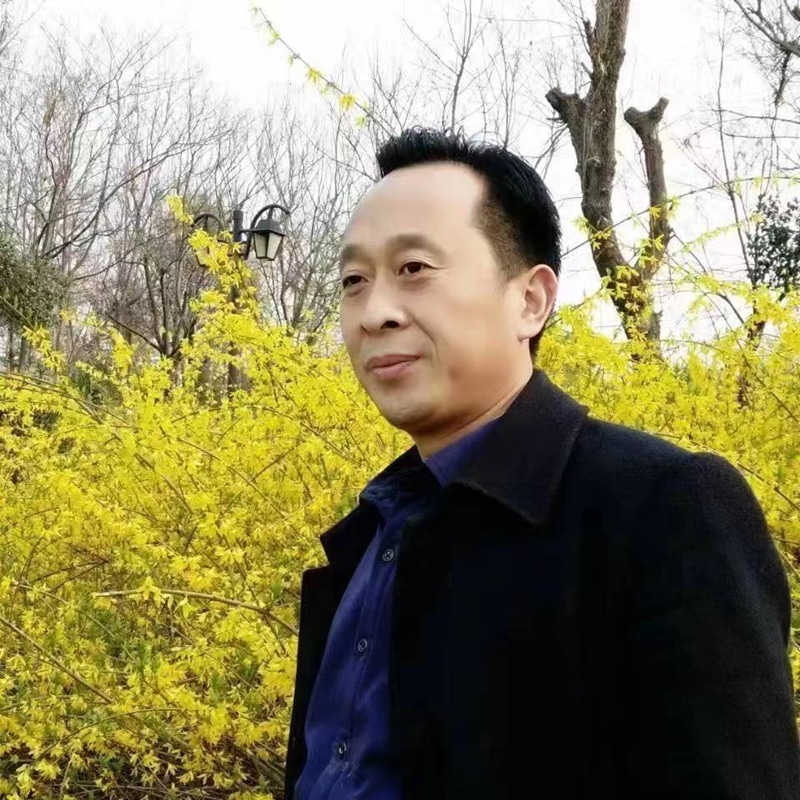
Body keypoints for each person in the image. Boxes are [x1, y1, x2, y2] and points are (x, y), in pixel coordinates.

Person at [283, 127, 800, 800]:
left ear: (530, 300)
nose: (373, 313)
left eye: (414, 269)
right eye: (354, 281)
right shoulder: (371, 534)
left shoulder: (662, 510)